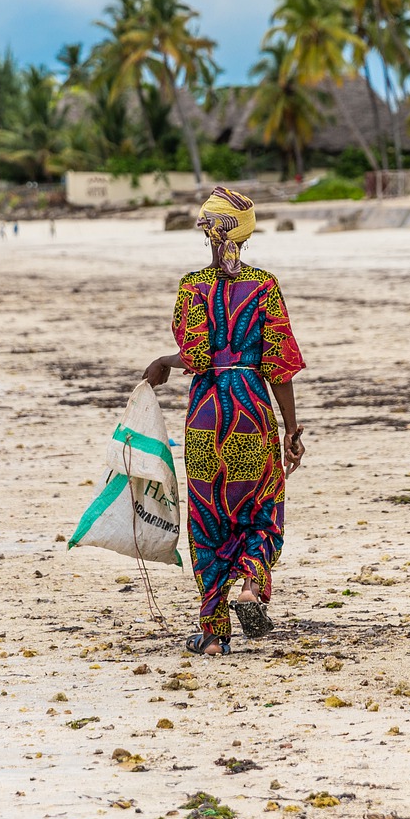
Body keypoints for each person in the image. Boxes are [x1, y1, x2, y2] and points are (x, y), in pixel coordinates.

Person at [144, 187, 306, 656]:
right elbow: (279, 365)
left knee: (209, 516)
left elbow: (194, 355)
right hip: (250, 411)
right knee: (259, 503)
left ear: (210, 234)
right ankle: (253, 585)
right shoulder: (265, 286)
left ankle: (214, 634)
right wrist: (291, 431)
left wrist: (162, 362)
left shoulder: (192, 286)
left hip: (205, 415)